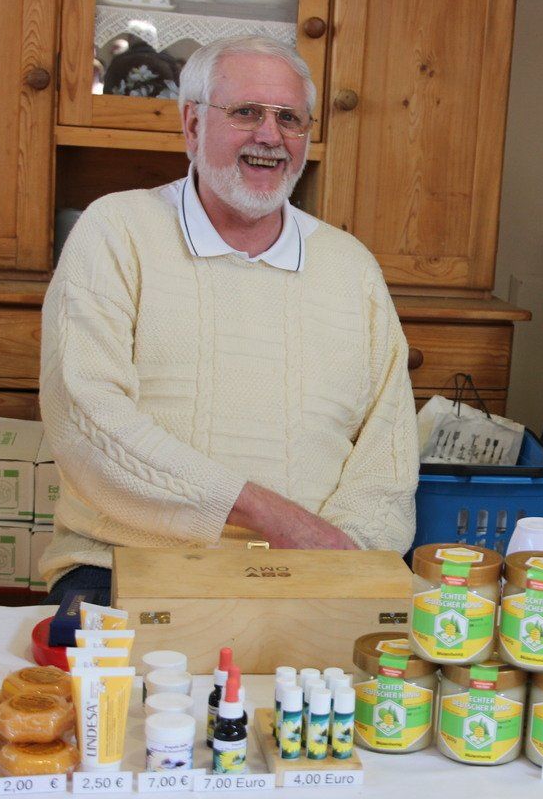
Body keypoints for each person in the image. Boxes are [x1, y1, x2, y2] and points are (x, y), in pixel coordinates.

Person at [39, 36, 419, 605]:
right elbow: (87, 421)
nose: (270, 136)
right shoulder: (115, 232)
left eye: (289, 118)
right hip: (125, 568)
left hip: (312, 574)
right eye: (245, 112)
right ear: (192, 126)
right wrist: (272, 516)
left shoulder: (352, 268)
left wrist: (342, 557)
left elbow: (387, 453)